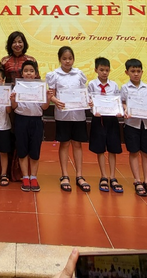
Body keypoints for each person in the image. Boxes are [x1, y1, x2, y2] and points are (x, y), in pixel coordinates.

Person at [47, 46, 90, 193]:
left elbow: (83, 93)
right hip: (63, 115)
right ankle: (64, 175)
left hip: (78, 115)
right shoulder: (54, 75)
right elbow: (51, 94)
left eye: (70, 58)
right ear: (59, 59)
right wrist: (55, 100)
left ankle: (79, 175)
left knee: (77, 144)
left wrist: (88, 101)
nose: (67, 61)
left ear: (74, 59)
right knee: (64, 144)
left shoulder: (79, 74)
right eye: (64, 58)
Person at [120, 58, 147, 197]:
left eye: (138, 71)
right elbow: (123, 102)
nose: (136, 74)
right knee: (134, 152)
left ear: (142, 72)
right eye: (133, 71)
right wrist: (125, 109)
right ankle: (137, 180)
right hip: (132, 124)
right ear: (127, 72)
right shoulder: (124, 88)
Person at [88, 57, 123, 193]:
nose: (104, 73)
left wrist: (119, 111)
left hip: (112, 119)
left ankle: (113, 176)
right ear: (96, 70)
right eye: (101, 70)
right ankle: (103, 176)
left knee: (113, 148)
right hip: (98, 118)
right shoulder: (92, 85)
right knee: (100, 148)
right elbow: (90, 101)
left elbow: (117, 100)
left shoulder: (114, 85)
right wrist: (93, 110)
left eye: (107, 70)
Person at [11, 60, 47, 192]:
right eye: (26, 71)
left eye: (31, 71)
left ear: (36, 74)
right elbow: (14, 107)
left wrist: (47, 98)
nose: (29, 73)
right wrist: (13, 100)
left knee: (35, 150)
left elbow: (44, 107)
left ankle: (34, 177)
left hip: (36, 121)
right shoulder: (18, 87)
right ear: (22, 73)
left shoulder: (41, 87)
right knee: (22, 149)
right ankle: (25, 176)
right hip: (21, 120)